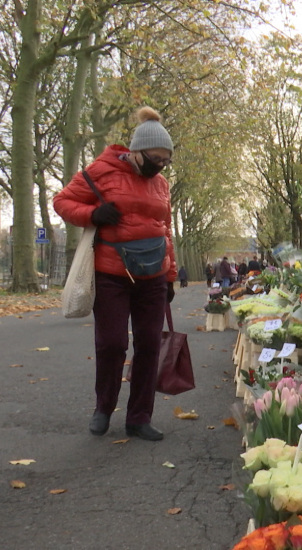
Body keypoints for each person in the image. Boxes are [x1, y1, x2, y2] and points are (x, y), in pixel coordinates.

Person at [53, 106, 177, 441]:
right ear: (137, 152)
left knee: (150, 345)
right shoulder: (101, 171)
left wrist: (171, 275)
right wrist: (93, 214)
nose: (160, 166)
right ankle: (103, 408)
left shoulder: (161, 184)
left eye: (166, 161)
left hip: (152, 276)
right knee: (112, 344)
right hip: (112, 273)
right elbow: (62, 202)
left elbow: (165, 229)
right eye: (156, 159)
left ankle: (139, 417)